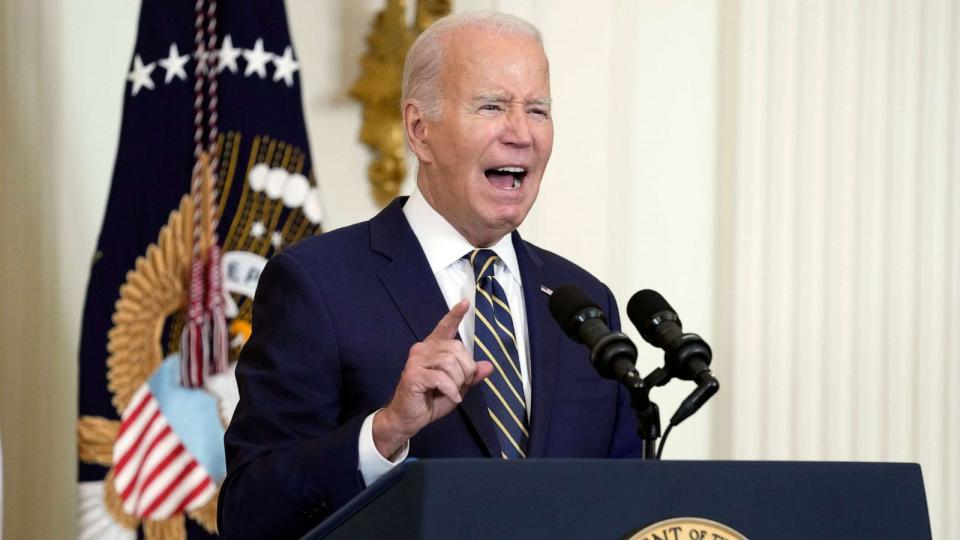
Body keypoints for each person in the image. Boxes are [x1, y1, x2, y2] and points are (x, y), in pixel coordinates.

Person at [218, 11, 641, 538]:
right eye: (492, 106)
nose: (521, 134)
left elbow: (629, 505)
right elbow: (247, 514)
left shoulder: (582, 304)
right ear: (420, 131)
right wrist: (387, 431)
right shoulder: (316, 285)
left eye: (538, 110)